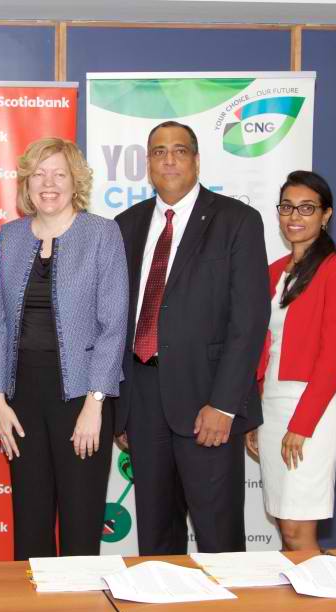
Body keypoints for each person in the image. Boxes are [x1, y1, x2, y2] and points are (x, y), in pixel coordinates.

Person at [114, 121, 269, 555]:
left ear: (197, 161)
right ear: (147, 163)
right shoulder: (125, 225)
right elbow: (115, 319)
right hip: (143, 400)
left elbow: (249, 321)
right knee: (156, 541)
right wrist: (122, 410)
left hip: (208, 401)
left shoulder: (236, 221)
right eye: (158, 152)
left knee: (220, 539)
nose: (168, 160)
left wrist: (224, 404)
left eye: (179, 151)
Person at [0, 138, 127, 559]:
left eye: (59, 174)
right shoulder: (9, 236)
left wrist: (94, 404)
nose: (48, 184)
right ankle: (34, 603)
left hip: (82, 397)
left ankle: (81, 602)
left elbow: (113, 325)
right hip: (21, 399)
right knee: (30, 521)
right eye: (39, 174)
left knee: (81, 521)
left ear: (75, 182)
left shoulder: (102, 233)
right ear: (26, 183)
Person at [246, 171, 336, 552]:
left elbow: (334, 357)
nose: (295, 216)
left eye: (307, 208)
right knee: (283, 523)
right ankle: (296, 591)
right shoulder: (273, 272)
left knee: (297, 528)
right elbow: (262, 349)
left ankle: (317, 592)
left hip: (312, 409)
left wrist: (302, 424)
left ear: (326, 215)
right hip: (271, 407)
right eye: (287, 207)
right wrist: (254, 413)